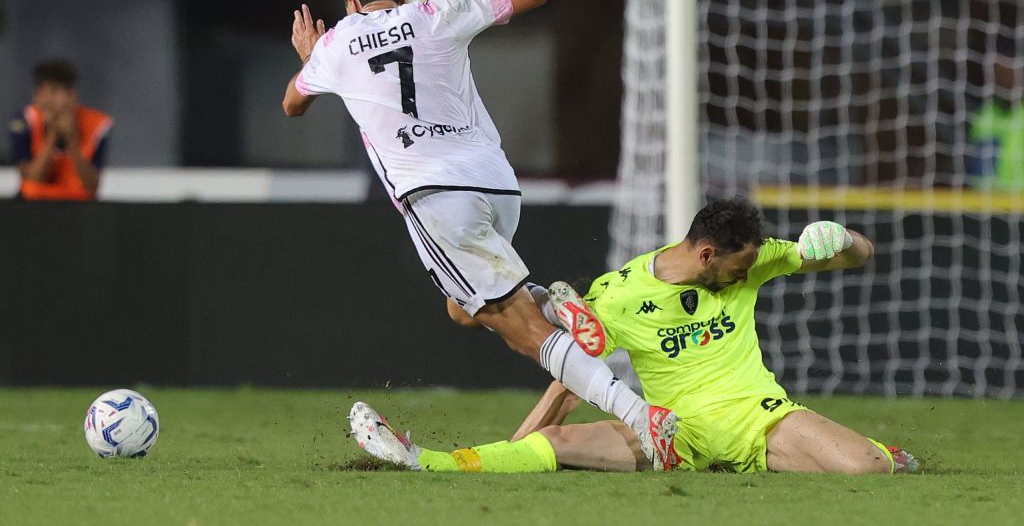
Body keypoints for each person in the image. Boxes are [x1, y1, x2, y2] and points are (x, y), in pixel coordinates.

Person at [281, 0, 678, 469]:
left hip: (435, 197)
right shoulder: (438, 13)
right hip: (495, 185)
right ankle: (555, 306)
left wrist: (309, 60)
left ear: (350, 3)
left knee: (522, 333)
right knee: (463, 310)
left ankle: (639, 415)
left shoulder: (336, 43)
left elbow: (293, 105)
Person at [349, 198, 920, 475]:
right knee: (559, 450)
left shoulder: (759, 259)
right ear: (705, 254)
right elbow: (571, 379)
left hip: (758, 420)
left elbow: (857, 257)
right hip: (672, 434)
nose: (749, 276)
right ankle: (429, 462)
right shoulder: (620, 294)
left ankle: (882, 452)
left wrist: (842, 238)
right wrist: (521, 443)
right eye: (738, 267)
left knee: (868, 470)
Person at [7, 58, 112, 201]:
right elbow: (34, 177)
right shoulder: (24, 121)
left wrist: (72, 139)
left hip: (79, 206)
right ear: (37, 94)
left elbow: (92, 185)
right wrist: (52, 135)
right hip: (32, 204)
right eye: (49, 91)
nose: (49, 99)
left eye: (60, 91)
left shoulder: (98, 124)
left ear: (73, 94)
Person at [969, 38, 1024, 190]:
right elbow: (977, 171)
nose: (1004, 79)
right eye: (999, 72)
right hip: (990, 206)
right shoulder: (983, 117)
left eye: (1009, 72)